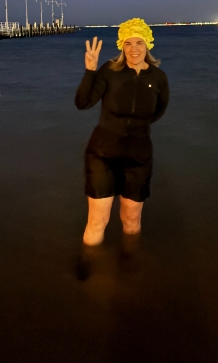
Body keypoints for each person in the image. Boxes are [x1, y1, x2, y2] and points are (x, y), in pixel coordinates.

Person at [74, 18, 169, 278]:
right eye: (128, 43)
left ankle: (128, 264)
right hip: (102, 154)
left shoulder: (158, 78)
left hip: (138, 156)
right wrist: (90, 71)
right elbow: (82, 103)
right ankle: (87, 266)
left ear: (147, 45)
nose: (134, 48)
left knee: (131, 221)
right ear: (121, 46)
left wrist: (135, 130)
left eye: (139, 42)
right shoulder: (109, 71)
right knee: (98, 220)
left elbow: (158, 111)